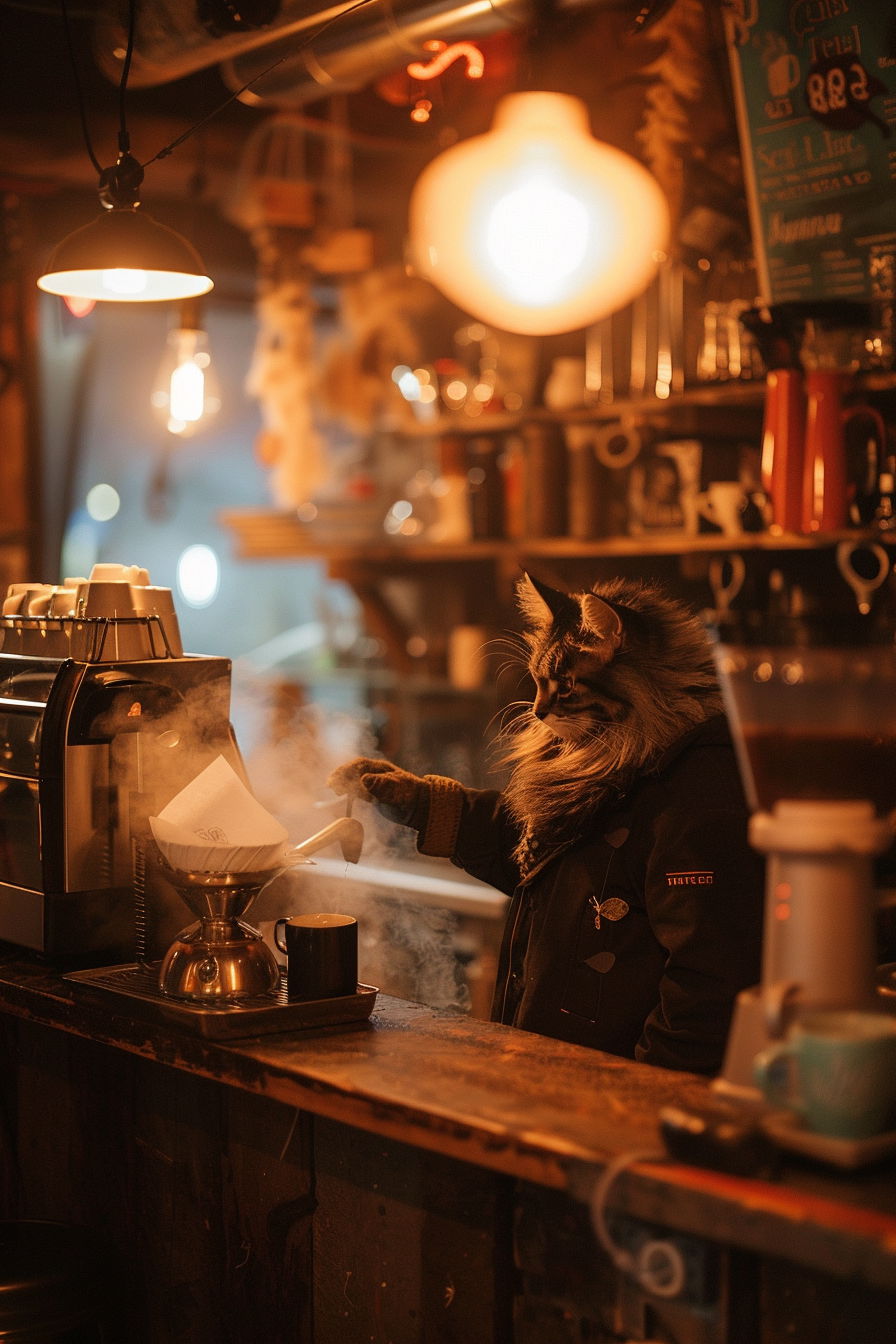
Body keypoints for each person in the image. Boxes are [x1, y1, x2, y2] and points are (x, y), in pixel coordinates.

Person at [329, 574, 765, 1075]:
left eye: (565, 687)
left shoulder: (697, 787)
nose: (539, 708)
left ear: (635, 675)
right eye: (538, 683)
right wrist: (425, 804)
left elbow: (709, 984)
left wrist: (644, 1095)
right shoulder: (606, 748)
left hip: (612, 1093)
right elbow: (553, 862)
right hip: (554, 1075)